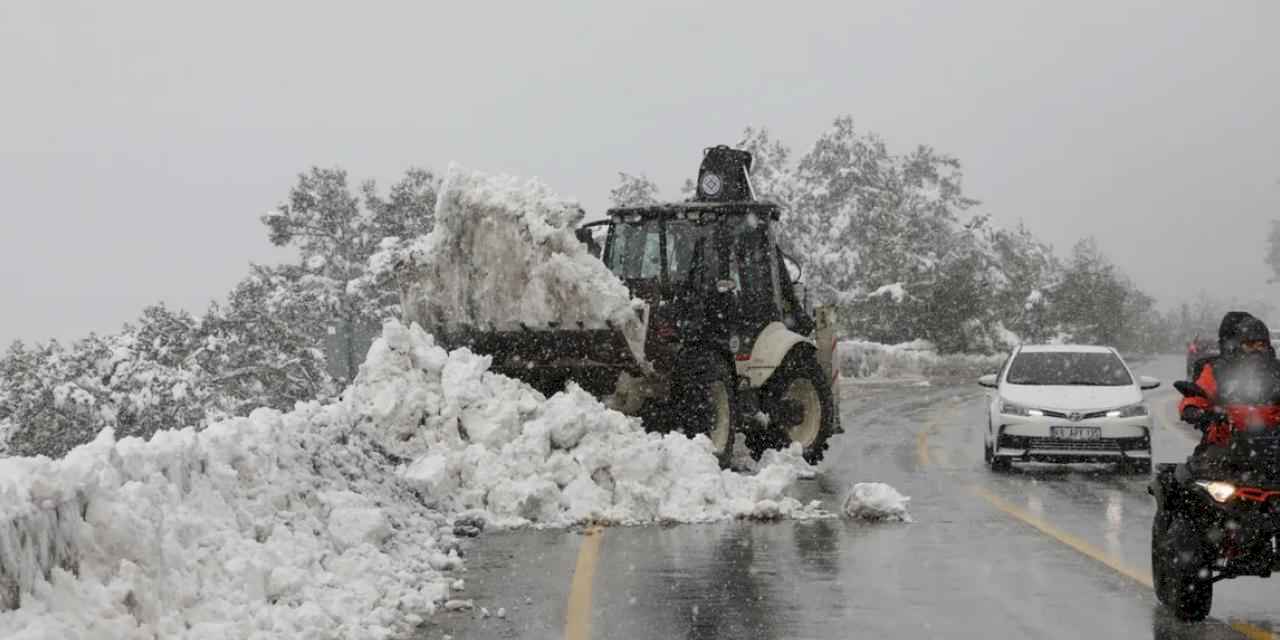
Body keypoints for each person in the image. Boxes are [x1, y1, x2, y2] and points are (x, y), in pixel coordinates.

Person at [1179, 311, 1280, 453]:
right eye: (1249, 345)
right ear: (1238, 345)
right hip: (1224, 443)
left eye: (1260, 345)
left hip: (1273, 446)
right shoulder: (1217, 369)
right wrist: (1193, 409)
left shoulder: (1277, 370)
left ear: (1268, 346)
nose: (1255, 350)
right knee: (1198, 468)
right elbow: (1200, 393)